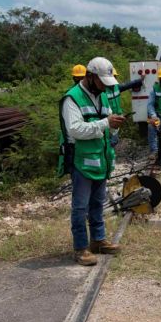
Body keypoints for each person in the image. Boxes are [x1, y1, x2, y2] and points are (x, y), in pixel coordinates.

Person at [59, 57, 125, 266]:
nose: (105, 87)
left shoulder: (102, 96)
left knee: (97, 203)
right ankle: (80, 248)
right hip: (81, 160)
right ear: (90, 76)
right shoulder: (72, 98)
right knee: (80, 207)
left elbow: (107, 124)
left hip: (100, 159)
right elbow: (75, 130)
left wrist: (114, 125)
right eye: (102, 82)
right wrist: (106, 123)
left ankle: (98, 240)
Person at [105, 66, 143, 148]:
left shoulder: (116, 87)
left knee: (114, 141)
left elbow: (128, 84)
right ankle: (107, 155)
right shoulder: (103, 90)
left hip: (117, 119)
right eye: (113, 77)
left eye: (115, 77)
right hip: (108, 119)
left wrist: (140, 80)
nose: (115, 78)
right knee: (110, 141)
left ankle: (108, 155)